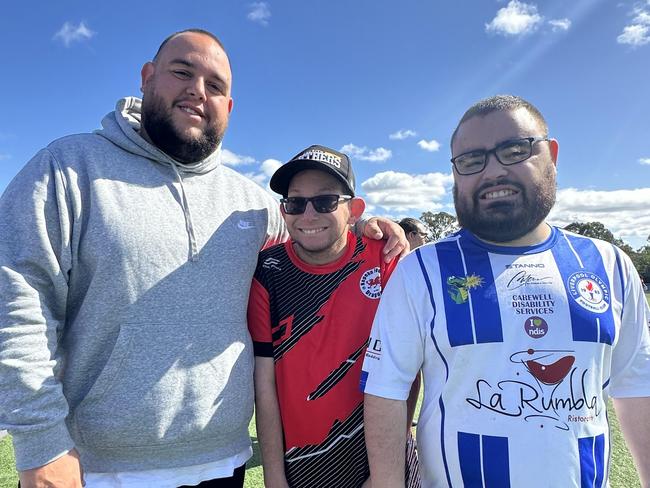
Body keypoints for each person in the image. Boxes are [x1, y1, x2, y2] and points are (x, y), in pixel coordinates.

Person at [0, 29, 407, 487]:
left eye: (215, 86)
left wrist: (369, 227)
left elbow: (313, 232)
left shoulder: (250, 203)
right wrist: (41, 445)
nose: (198, 90)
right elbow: (17, 306)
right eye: (182, 72)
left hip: (223, 465)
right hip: (93, 469)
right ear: (148, 78)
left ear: (228, 108)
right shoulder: (66, 168)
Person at [361, 95, 650, 487]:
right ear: (455, 173)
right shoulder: (421, 270)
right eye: (471, 160)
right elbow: (386, 391)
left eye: (514, 150)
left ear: (551, 153)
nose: (493, 171)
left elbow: (637, 387)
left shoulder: (609, 264)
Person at [248, 145, 420, 488]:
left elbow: (408, 370)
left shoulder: (385, 260)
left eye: (325, 201)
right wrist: (274, 477)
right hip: (302, 469)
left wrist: (385, 471)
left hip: (381, 466)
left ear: (353, 209)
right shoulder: (268, 271)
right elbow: (264, 385)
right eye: (295, 203)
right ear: (284, 211)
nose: (308, 215)